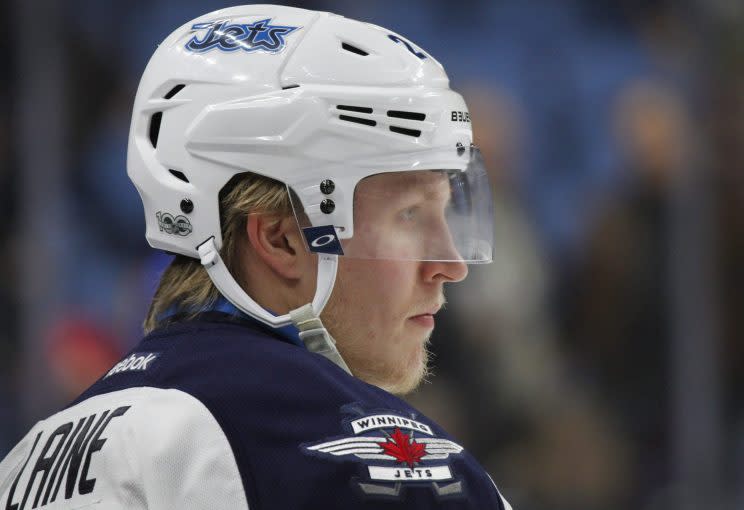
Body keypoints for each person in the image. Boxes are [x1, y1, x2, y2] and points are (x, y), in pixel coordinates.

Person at [0, 5, 511, 509]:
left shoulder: (29, 459)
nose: (450, 264)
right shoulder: (374, 461)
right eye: (409, 217)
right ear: (282, 239)